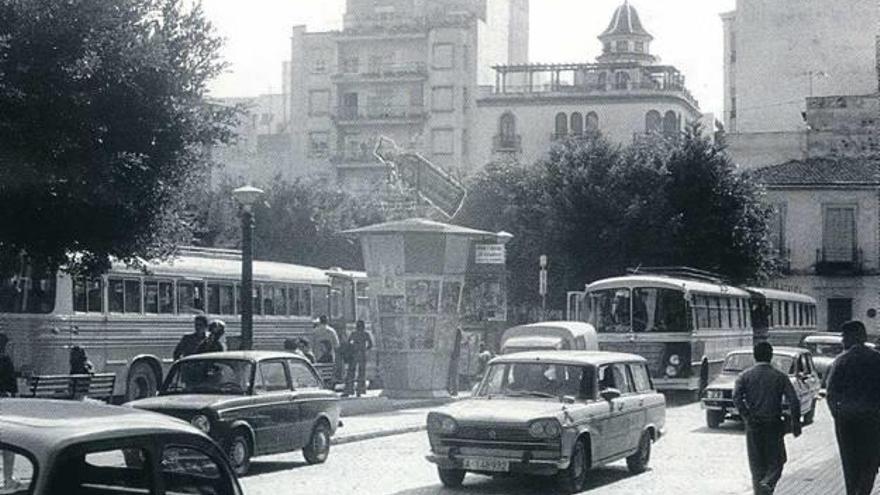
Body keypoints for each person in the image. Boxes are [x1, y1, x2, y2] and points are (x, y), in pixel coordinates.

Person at [732, 342, 801, 495]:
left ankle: (761, 489)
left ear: (754, 356)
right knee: (777, 461)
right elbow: (794, 401)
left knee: (756, 465)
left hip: (753, 426)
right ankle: (768, 482)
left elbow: (736, 397)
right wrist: (795, 423)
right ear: (770, 356)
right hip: (774, 424)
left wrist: (746, 415)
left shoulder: (745, 376)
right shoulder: (780, 376)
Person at [825, 320, 880, 495]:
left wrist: (838, 415)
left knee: (850, 462)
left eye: (843, 337)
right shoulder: (877, 359)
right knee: (870, 461)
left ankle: (853, 491)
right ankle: (864, 491)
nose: (842, 341)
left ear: (852, 336)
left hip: (847, 420)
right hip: (873, 419)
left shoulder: (840, 361)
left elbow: (830, 393)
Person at [0, 333, 17, 490]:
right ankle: (8, 478)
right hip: (4, 409)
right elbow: (13, 388)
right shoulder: (5, 362)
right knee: (9, 447)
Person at [344, 320, 373, 397]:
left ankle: (349, 389)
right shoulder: (366, 334)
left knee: (351, 372)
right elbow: (370, 344)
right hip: (362, 354)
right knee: (361, 373)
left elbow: (349, 342)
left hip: (354, 354)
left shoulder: (354, 333)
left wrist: (353, 347)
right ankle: (360, 390)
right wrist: (365, 349)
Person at [447, 327, 463, 396]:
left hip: (454, 356)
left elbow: (456, 344)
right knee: (451, 374)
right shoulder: (456, 330)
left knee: (453, 374)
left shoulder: (457, 331)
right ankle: (452, 389)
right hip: (453, 355)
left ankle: (454, 390)